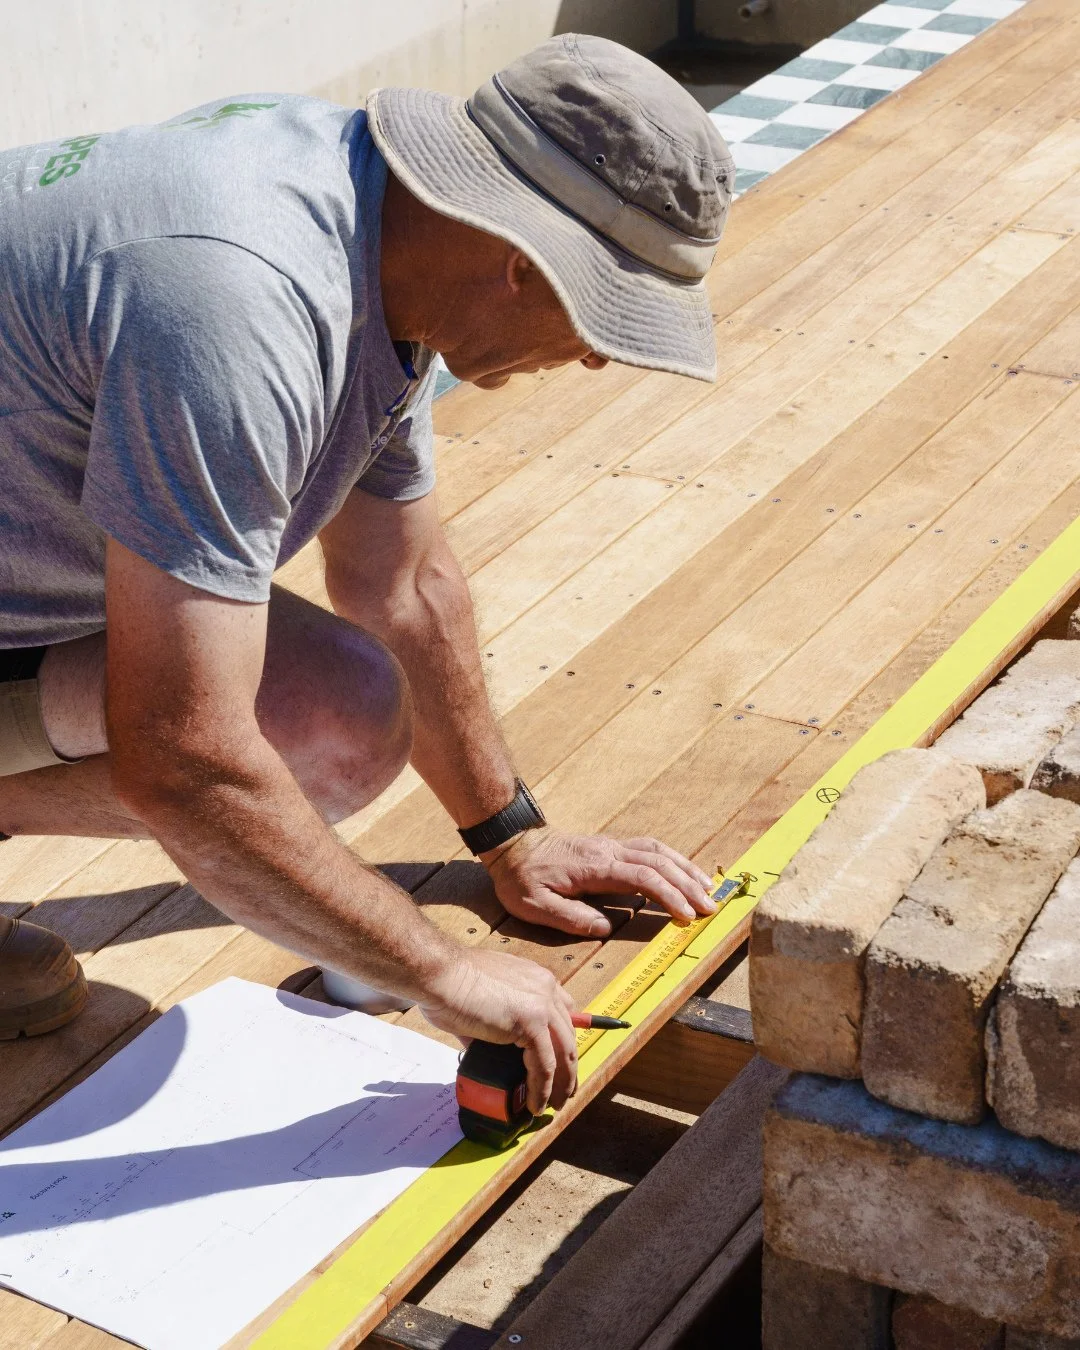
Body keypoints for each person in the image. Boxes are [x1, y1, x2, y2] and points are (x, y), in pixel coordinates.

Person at [0, 34, 735, 1114]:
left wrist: (511, 834)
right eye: (602, 315)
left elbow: (403, 582)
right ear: (520, 258)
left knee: (333, 719)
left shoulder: (375, 234)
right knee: (219, 741)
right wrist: (441, 972)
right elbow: (182, 758)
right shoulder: (236, 302)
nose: (595, 357)